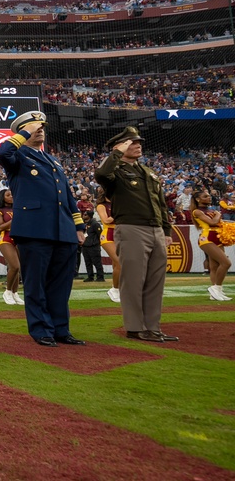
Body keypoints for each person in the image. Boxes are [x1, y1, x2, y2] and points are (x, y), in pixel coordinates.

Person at [0, 112, 86, 347]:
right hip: (34, 229)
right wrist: (24, 133)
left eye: (42, 126)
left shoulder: (53, 160)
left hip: (62, 229)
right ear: (22, 132)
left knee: (61, 284)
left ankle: (60, 329)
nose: (40, 129)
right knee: (36, 283)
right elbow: (1, 152)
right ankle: (41, 329)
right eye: (34, 127)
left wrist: (78, 226)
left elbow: (67, 196)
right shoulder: (18, 156)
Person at [95, 127, 179, 343]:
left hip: (156, 230)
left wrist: (166, 229)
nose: (138, 145)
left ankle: (153, 328)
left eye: (138, 141)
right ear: (120, 146)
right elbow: (102, 174)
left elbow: (160, 203)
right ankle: (134, 327)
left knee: (155, 281)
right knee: (133, 280)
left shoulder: (149, 172)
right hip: (131, 228)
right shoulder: (116, 171)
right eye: (132, 142)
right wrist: (115, 153)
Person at [190, 190, 231, 301]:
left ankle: (215, 294)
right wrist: (218, 215)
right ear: (198, 199)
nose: (209, 198)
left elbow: (219, 223)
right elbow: (212, 223)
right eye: (205, 196)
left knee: (214, 267)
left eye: (209, 196)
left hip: (217, 239)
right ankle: (216, 288)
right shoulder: (197, 211)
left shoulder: (211, 210)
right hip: (207, 239)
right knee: (226, 263)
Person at [0, 188, 24, 305]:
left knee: (17, 268)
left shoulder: (17, 209)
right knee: (15, 266)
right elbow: (0, 227)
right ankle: (7, 291)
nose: (11, 196)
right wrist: (16, 219)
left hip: (18, 239)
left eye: (12, 194)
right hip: (5, 239)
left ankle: (15, 293)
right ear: (2, 198)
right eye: (8, 195)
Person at [95, 187, 120, 301]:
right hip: (108, 234)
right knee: (120, 262)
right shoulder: (102, 206)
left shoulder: (119, 204)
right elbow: (106, 220)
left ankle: (117, 287)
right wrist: (120, 214)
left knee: (117, 264)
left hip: (121, 234)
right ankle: (115, 289)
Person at [80, 211, 106, 286]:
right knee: (87, 262)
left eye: (85, 214)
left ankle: (100, 276)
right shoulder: (84, 224)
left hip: (93, 246)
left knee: (97, 262)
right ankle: (90, 276)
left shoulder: (95, 224)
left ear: (89, 216)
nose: (83, 216)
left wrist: (98, 243)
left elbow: (100, 234)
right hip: (85, 246)